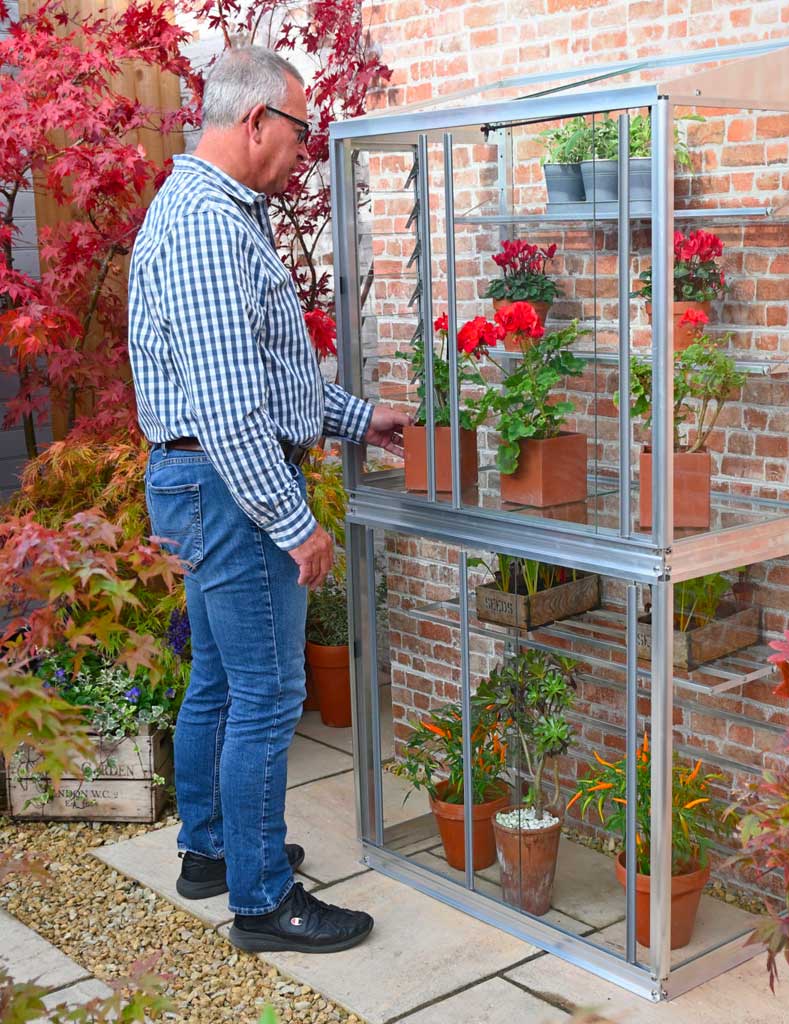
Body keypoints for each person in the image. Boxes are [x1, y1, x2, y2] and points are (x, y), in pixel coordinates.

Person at [128, 45, 409, 954]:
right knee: (267, 692)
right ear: (254, 121)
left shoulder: (212, 212)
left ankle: (212, 851)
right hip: (228, 483)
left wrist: (364, 420)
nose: (303, 147)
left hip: (200, 479)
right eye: (297, 128)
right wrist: (292, 521)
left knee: (218, 677)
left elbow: (272, 375)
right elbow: (229, 404)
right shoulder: (209, 225)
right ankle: (262, 900)